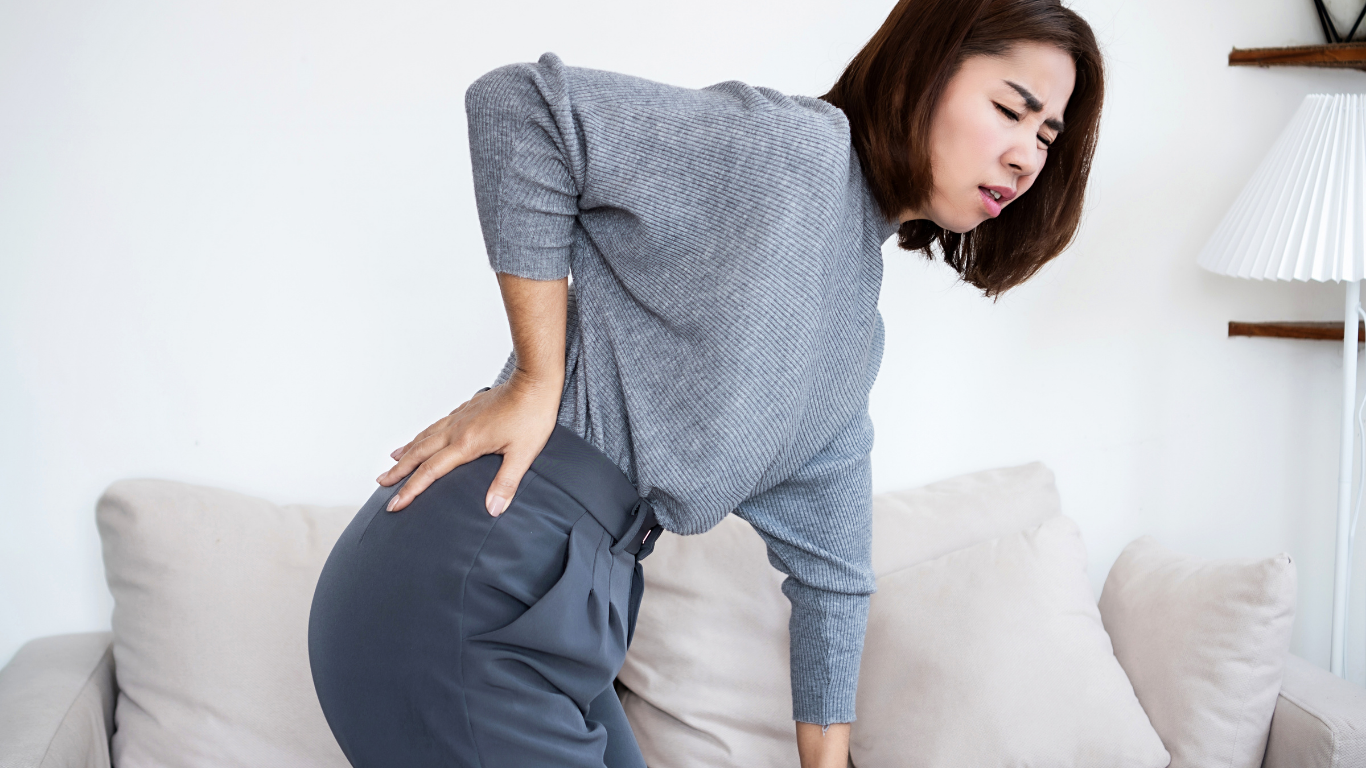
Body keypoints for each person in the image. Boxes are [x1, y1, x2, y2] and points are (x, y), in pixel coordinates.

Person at [307, 0, 1105, 766]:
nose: (1028, 156)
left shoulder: (852, 338)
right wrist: (534, 377)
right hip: (477, 570)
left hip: (572, 610)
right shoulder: (794, 155)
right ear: (923, 73)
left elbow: (833, 581)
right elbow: (524, 106)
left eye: (1046, 135)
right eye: (1011, 109)